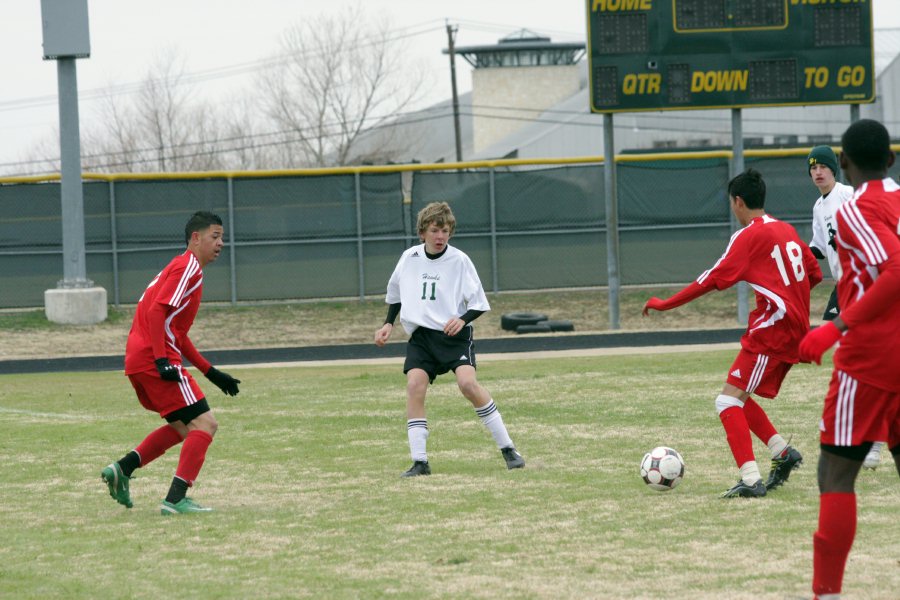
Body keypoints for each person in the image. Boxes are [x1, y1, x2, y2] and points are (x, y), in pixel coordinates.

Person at [643, 168, 822, 498]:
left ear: (738, 202)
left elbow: (709, 280)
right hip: (790, 329)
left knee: (726, 401)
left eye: (731, 203)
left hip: (772, 331)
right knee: (738, 396)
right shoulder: (785, 229)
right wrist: (785, 296)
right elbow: (814, 274)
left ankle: (751, 480)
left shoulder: (748, 236)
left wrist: (665, 304)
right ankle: (783, 452)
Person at [798, 119, 900, 600]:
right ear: (892, 159)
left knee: (835, 473)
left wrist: (834, 328)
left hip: (873, 356)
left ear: (842, 162)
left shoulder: (857, 208)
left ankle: (827, 593)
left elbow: (896, 268)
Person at [100, 211, 241, 515]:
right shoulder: (188, 267)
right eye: (215, 237)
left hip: (139, 360)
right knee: (205, 424)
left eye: (222, 238)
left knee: (182, 428)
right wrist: (162, 359)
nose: (220, 243)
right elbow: (157, 314)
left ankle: (121, 469)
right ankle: (176, 499)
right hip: (153, 359)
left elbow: (177, 332)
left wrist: (211, 372)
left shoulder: (181, 268)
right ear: (195, 238)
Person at [374, 201, 525, 477]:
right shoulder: (409, 258)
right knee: (414, 386)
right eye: (434, 230)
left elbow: (479, 303)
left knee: (468, 384)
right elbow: (395, 295)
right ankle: (420, 462)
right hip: (422, 338)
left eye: (444, 230)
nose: (440, 236)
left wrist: (462, 319)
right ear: (422, 233)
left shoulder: (459, 260)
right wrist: (387, 324)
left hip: (453, 336)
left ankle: (508, 449)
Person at [806, 145, 885, 470]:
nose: (817, 171)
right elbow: (819, 249)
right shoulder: (819, 206)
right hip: (844, 286)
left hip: (865, 282)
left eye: (822, 165)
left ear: (834, 169)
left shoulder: (849, 194)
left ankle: (874, 441)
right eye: (812, 168)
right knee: (850, 357)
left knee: (864, 359)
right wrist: (798, 258)